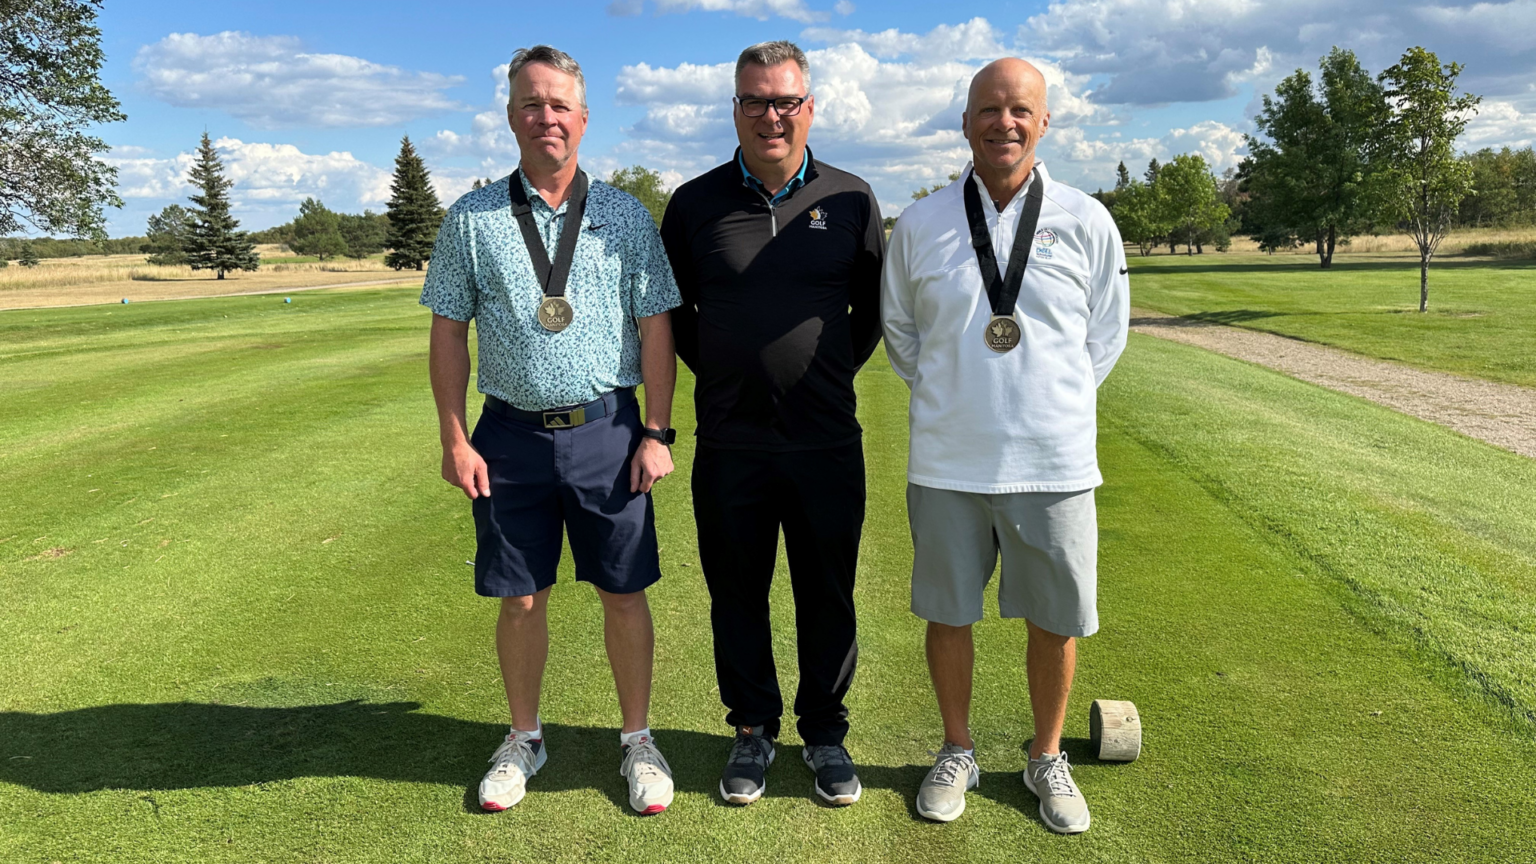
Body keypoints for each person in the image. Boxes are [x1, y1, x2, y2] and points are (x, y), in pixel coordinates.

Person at [421, 45, 683, 816]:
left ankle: (638, 739)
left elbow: (656, 326)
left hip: (609, 431)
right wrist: (454, 438)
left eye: (559, 104)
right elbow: (448, 330)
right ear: (511, 116)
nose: (547, 117)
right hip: (508, 436)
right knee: (520, 600)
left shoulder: (625, 215)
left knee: (624, 593)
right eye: (531, 104)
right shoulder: (472, 218)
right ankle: (524, 737)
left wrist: (658, 431)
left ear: (584, 118)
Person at [881, 58, 1130, 833]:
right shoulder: (921, 223)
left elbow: (1105, 337)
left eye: (1021, 109)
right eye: (988, 109)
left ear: (1045, 121)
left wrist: (1041, 402)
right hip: (947, 461)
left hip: (1055, 463)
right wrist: (962, 396)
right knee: (948, 613)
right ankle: (957, 750)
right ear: (965, 122)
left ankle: (1045, 756)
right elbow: (901, 335)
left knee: (1054, 619)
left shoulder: (1086, 219)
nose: (1004, 123)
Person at [661, 40, 885, 807]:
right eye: (755, 100)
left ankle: (824, 732)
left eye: (785, 100)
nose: (771, 115)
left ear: (809, 107)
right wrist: (731, 374)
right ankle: (753, 728)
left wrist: (822, 374)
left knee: (828, 594)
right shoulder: (694, 203)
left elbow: (871, 313)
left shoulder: (852, 198)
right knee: (736, 594)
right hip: (732, 442)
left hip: (826, 440)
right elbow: (674, 318)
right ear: (736, 110)